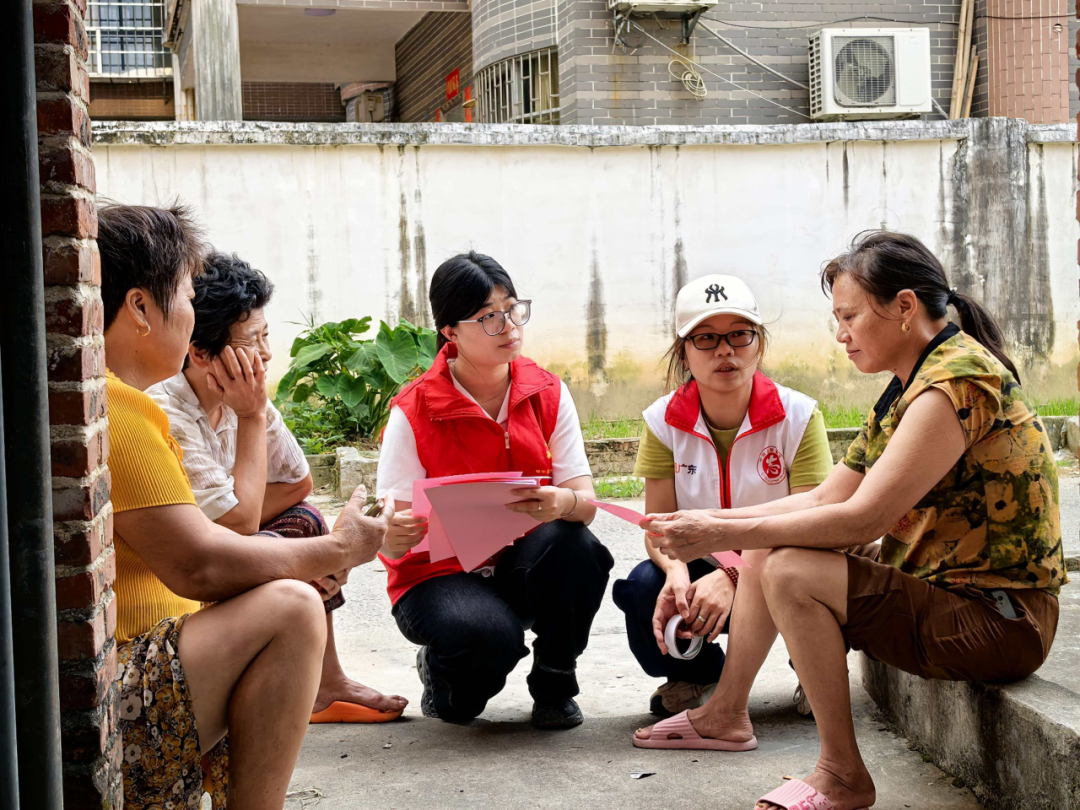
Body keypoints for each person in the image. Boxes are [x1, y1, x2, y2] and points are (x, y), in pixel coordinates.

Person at [639, 231, 1066, 810]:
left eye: (849, 316)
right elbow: (824, 498)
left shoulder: (955, 382)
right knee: (769, 549)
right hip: (941, 589)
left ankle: (841, 774)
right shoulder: (907, 385)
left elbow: (863, 519)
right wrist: (708, 520)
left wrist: (720, 533)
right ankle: (726, 713)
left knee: (790, 570)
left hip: (1000, 619)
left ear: (905, 307)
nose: (840, 333)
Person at [99, 203, 392, 809]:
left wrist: (315, 551)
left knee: (290, 557)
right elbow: (204, 560)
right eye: (185, 295)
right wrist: (340, 549)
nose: (264, 355)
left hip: (148, 645)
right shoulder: (123, 412)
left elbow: (291, 490)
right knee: (292, 606)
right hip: (115, 679)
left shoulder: (125, 404)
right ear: (140, 309)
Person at [147, 251, 406, 724]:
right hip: (188, 575)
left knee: (305, 519)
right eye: (251, 342)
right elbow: (238, 526)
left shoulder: (247, 396)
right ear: (200, 353)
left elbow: (297, 483)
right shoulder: (169, 411)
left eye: (266, 336)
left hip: (227, 537)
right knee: (283, 543)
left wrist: (273, 537)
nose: (266, 353)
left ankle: (328, 681)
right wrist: (250, 416)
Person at [375, 251, 614, 728]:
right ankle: (443, 680)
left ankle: (555, 682)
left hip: (520, 567)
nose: (509, 326)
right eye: (489, 317)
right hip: (437, 578)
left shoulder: (547, 393)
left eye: (513, 308)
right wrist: (392, 533)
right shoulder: (414, 411)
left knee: (577, 546)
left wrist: (562, 502)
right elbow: (390, 536)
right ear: (450, 331)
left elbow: (585, 504)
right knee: (473, 677)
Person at [613, 275, 832, 721]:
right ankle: (697, 676)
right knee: (644, 586)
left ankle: (814, 670)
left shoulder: (798, 416)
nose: (724, 351)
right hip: (702, 567)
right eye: (706, 338)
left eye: (739, 335)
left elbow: (814, 525)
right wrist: (676, 574)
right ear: (684, 352)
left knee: (817, 572)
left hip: (779, 564)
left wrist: (734, 576)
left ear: (759, 344)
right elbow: (658, 527)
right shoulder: (662, 421)